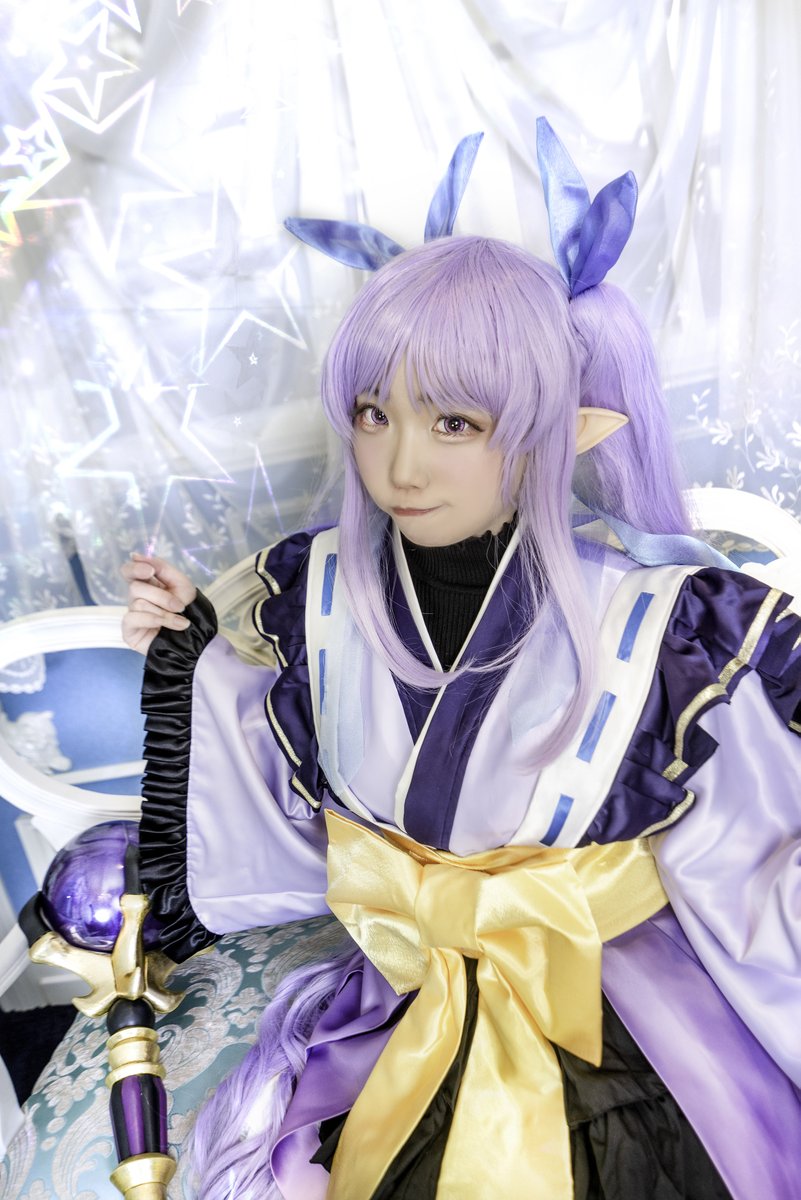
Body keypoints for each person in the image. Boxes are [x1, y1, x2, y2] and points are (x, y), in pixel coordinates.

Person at [122, 124, 801, 1200]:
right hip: (410, 981)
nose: (399, 464)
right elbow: (277, 828)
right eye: (372, 413)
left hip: (617, 1002)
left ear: (549, 428)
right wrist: (191, 646)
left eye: (453, 422)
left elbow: (753, 861)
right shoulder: (312, 596)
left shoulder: (664, 623)